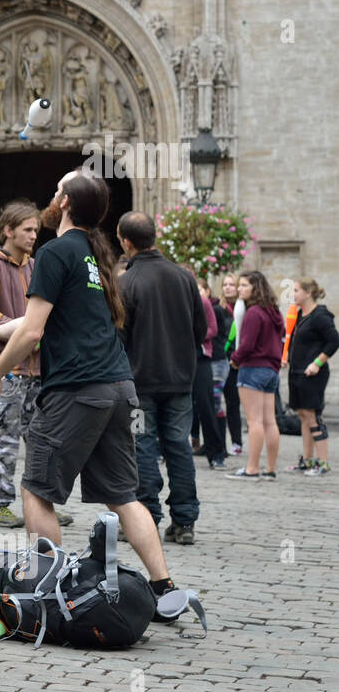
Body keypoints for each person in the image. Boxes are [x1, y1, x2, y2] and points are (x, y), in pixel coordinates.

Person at [0, 170, 184, 610]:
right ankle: (165, 588)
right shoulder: (95, 255)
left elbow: (34, 331)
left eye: (56, 191)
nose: (50, 198)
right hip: (116, 387)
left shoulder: (54, 251)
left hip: (77, 391)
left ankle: (47, 585)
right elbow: (46, 316)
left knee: (36, 490)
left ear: (67, 203)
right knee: (123, 495)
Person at [0, 199, 73, 529]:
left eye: (36, 230)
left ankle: (41, 504)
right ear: (7, 231)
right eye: (27, 230)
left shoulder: (33, 264)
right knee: (3, 440)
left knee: (40, 440)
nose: (33, 236)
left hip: (36, 370)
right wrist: (24, 327)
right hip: (5, 369)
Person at [115, 212, 206, 545]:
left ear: (125, 241)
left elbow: (119, 338)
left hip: (141, 385)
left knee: (142, 447)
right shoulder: (183, 278)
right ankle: (184, 521)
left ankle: (147, 516)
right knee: (179, 447)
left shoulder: (126, 282)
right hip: (180, 381)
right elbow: (201, 329)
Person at [226, 270, 284, 482]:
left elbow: (247, 344)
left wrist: (235, 358)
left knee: (254, 421)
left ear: (255, 288)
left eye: (243, 285)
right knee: (270, 421)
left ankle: (252, 468)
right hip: (271, 370)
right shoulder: (273, 312)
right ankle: (270, 468)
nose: (239, 289)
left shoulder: (253, 313)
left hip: (252, 368)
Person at [285, 277, 338, 475]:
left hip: (313, 374)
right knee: (302, 415)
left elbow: (333, 341)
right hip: (296, 371)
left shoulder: (320, 315)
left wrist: (317, 363)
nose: (293, 293)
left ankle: (322, 462)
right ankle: (307, 460)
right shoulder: (299, 314)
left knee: (312, 415)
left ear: (308, 293)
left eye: (297, 290)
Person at [194, 279, 229, 469]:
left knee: (206, 405)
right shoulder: (171, 300)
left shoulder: (203, 303)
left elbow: (213, 329)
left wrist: (191, 335)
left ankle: (216, 453)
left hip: (200, 358)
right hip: (176, 359)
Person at [220, 273, 244, 454]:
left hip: (237, 361)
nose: (228, 287)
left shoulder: (243, 308)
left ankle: (237, 442)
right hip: (220, 359)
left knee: (233, 402)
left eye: (231, 284)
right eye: (225, 284)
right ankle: (217, 442)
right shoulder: (217, 308)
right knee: (214, 403)